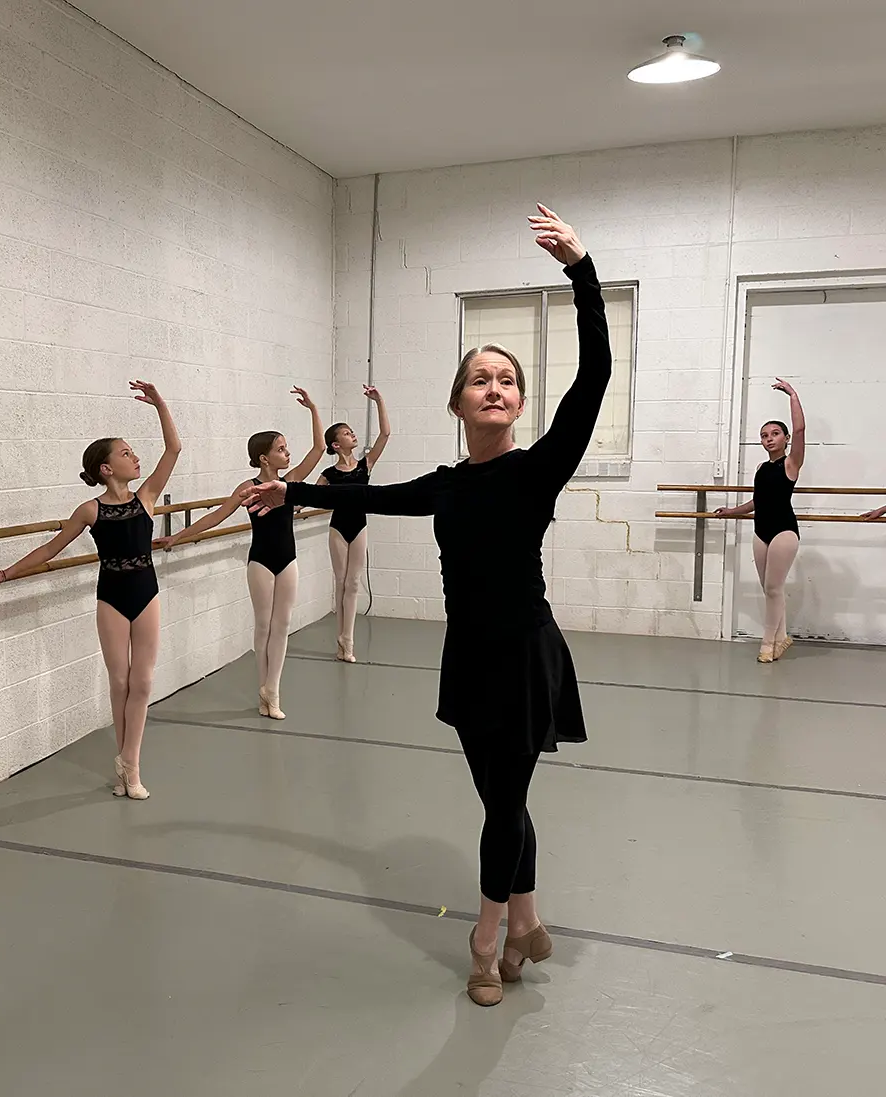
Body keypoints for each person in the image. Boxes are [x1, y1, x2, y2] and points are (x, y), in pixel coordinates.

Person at [242, 206, 607, 1007]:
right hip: (469, 658)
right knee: (503, 801)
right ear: (458, 402)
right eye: (480, 378)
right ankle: (530, 920)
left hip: (525, 655)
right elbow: (370, 494)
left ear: (518, 403)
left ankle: (487, 938)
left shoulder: (538, 469)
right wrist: (292, 491)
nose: (495, 386)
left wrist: (582, 273)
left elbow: (594, 379)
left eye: (507, 379)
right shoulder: (446, 486)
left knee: (503, 803)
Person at [0, 382, 180, 799]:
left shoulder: (146, 497)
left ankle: (130, 764)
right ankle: (126, 769)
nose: (135, 457)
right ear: (106, 468)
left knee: (142, 683)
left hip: (147, 593)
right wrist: (6, 573)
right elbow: (50, 549)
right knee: (119, 682)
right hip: (112, 598)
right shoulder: (90, 510)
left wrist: (160, 404)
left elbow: (173, 449)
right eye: (125, 453)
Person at [155, 387, 324, 720]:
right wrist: (178, 537)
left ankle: (272, 691)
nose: (287, 453)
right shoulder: (248, 488)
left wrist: (313, 409)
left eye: (287, 448)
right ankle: (263, 688)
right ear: (264, 458)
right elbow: (216, 516)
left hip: (288, 560)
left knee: (282, 624)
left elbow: (319, 449)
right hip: (260, 562)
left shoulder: (289, 482)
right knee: (263, 626)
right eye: (281, 449)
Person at [715, 382, 806, 662]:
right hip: (761, 531)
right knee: (770, 590)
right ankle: (782, 638)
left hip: (784, 532)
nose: (769, 439)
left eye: (775, 434)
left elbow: (801, 430)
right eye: (764, 435)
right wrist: (733, 511)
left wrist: (793, 395)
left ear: (786, 438)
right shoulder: (761, 468)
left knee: (774, 588)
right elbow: (758, 502)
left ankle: (768, 644)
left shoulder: (791, 464)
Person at [319, 387, 391, 662]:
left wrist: (379, 401)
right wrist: (287, 502)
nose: (352, 435)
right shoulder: (329, 473)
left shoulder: (364, 465)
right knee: (341, 583)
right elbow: (309, 496)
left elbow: (385, 434)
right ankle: (341, 639)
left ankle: (347, 641)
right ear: (336, 445)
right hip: (338, 528)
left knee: (354, 583)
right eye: (347, 433)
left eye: (351, 432)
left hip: (359, 527)